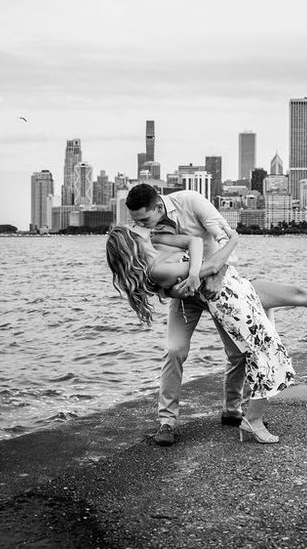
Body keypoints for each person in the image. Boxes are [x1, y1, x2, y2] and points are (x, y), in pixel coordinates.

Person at [105, 223, 307, 444]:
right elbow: (211, 266)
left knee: (297, 294)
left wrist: (193, 271)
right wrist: (233, 240)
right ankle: (252, 420)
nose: (141, 227)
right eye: (135, 228)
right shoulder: (156, 269)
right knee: (265, 352)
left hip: (236, 283)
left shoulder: (156, 244)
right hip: (227, 297)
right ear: (131, 243)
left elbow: (194, 245)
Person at [124, 183, 248, 446]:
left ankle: (233, 409)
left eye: (145, 219)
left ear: (159, 206)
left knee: (237, 350)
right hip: (184, 296)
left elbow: (226, 238)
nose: (143, 227)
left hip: (216, 285)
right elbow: (157, 273)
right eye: (137, 222)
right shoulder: (152, 232)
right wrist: (171, 292)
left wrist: (218, 274)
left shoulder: (191, 201)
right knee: (174, 350)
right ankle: (166, 421)